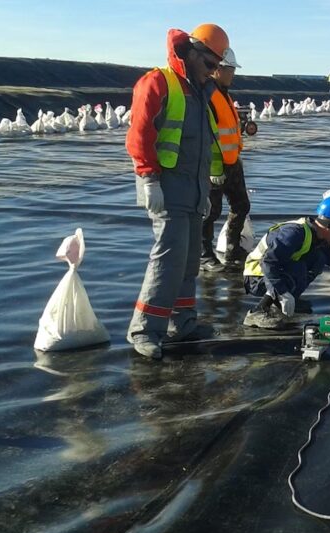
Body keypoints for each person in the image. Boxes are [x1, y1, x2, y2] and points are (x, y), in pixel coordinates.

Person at [125, 23, 229, 359]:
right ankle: (145, 329)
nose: (213, 72)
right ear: (192, 53)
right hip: (167, 187)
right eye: (210, 64)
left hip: (194, 188)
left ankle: (182, 322)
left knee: (187, 262)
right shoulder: (159, 82)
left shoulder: (201, 91)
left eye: (217, 67)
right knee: (167, 259)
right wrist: (148, 179)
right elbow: (139, 134)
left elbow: (207, 139)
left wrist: (213, 176)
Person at [242, 196, 330, 329]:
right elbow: (268, 262)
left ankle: (288, 300)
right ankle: (258, 311)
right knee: (298, 268)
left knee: (319, 259)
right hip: (256, 277)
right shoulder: (293, 234)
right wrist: (282, 291)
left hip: (271, 274)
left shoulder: (316, 236)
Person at [201, 46, 251, 273]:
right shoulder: (209, 94)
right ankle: (204, 256)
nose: (233, 73)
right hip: (215, 166)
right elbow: (209, 134)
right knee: (210, 212)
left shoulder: (223, 93)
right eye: (230, 69)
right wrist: (214, 168)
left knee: (241, 205)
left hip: (232, 162)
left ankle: (232, 248)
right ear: (217, 69)